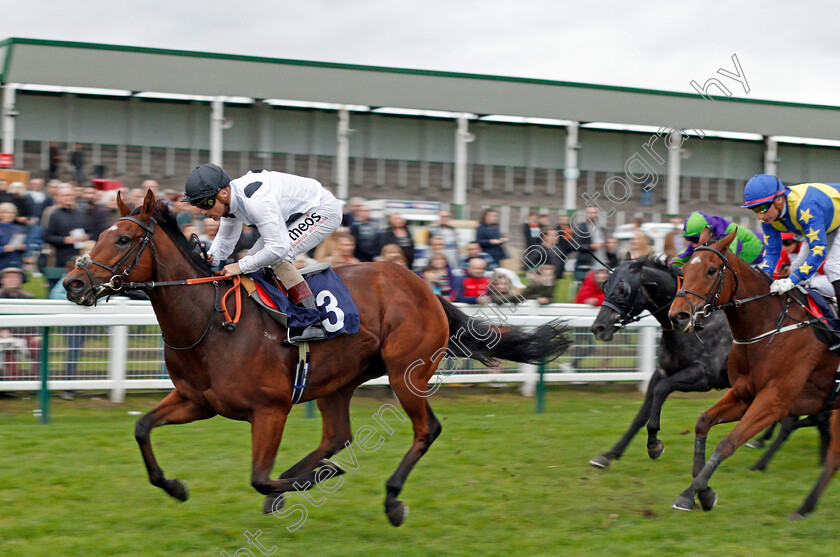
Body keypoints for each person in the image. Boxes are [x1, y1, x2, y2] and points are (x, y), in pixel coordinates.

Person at [182, 163, 342, 343]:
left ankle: (314, 322)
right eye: (197, 206)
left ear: (223, 193)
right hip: (296, 214)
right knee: (254, 259)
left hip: (322, 209)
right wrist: (209, 259)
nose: (203, 212)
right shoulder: (229, 203)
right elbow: (225, 242)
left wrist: (240, 265)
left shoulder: (256, 201)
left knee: (278, 258)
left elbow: (277, 249)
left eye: (205, 204)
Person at [743, 174, 840, 305]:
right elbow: (772, 253)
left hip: (828, 220)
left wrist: (792, 280)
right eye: (755, 209)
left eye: (763, 208)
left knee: (833, 266)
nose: (760, 216)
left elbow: (818, 250)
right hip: (829, 223)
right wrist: (762, 278)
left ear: (778, 200)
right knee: (796, 268)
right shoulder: (768, 219)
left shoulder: (805, 208)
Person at [671, 210, 763, 268]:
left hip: (765, 258)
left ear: (710, 233)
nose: (694, 244)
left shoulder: (728, 234)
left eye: (695, 240)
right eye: (689, 239)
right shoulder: (704, 236)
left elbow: (726, 262)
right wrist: (668, 265)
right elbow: (684, 256)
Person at [572, 206, 606, 280]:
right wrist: (591, 246)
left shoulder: (601, 229)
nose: (593, 215)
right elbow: (575, 246)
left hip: (601, 265)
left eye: (595, 213)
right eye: (591, 213)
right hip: (587, 264)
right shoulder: (581, 228)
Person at [0, 203, 27, 273]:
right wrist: (5, 248)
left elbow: (24, 250)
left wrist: (22, 247)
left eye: (12, 213)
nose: (10, 215)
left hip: (15, 263)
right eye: (6, 212)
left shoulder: (19, 229)